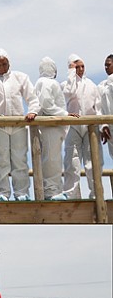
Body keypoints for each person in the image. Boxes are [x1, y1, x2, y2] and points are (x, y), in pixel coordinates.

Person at [0, 49, 39, 201]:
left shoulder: (20, 77)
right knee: (1, 160)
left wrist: (32, 111)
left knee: (20, 160)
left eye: (4, 63)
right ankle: (2, 193)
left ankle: (22, 193)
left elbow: (32, 97)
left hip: (18, 124)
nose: (1, 67)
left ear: (9, 63)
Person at [62, 54, 102, 199]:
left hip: (90, 126)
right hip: (73, 125)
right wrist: (71, 74)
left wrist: (101, 125)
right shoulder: (66, 84)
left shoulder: (92, 85)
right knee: (72, 160)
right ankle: (71, 193)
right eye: (76, 67)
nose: (80, 69)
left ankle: (95, 193)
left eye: (82, 66)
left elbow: (98, 107)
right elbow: (68, 93)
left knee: (92, 160)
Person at [34, 58, 69, 200]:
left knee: (54, 158)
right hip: (50, 126)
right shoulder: (46, 82)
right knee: (51, 159)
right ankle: (51, 191)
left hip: (54, 126)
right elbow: (46, 105)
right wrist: (65, 114)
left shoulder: (43, 82)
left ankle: (55, 189)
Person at [98, 54, 113, 161]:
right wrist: (103, 125)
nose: (106, 68)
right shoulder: (102, 86)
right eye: (105, 65)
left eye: (109, 65)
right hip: (110, 128)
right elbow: (99, 107)